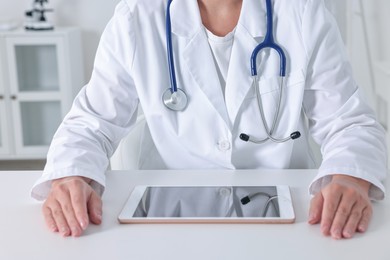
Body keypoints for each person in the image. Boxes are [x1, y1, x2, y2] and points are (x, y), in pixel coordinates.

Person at [31, 0, 387, 239]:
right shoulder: (138, 16)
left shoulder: (301, 12)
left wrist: (350, 178)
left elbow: (349, 122)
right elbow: (91, 122)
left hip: (289, 222)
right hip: (165, 225)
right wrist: (70, 175)